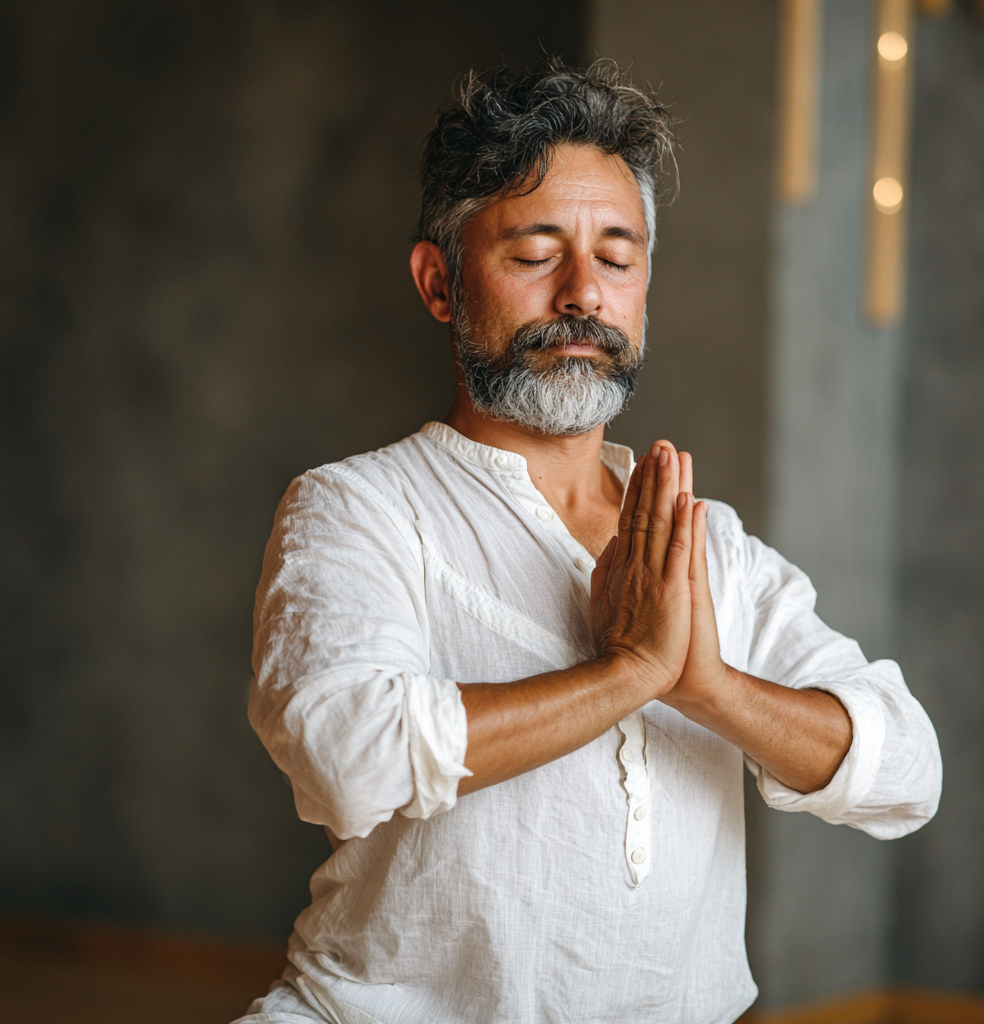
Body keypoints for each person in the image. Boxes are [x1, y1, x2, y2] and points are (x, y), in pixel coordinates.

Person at [236, 60, 941, 1024]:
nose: (584, 294)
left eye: (617, 255)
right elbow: (345, 755)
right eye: (535, 254)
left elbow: (906, 770)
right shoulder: (359, 509)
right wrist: (630, 672)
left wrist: (707, 686)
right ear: (439, 281)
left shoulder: (703, 540)